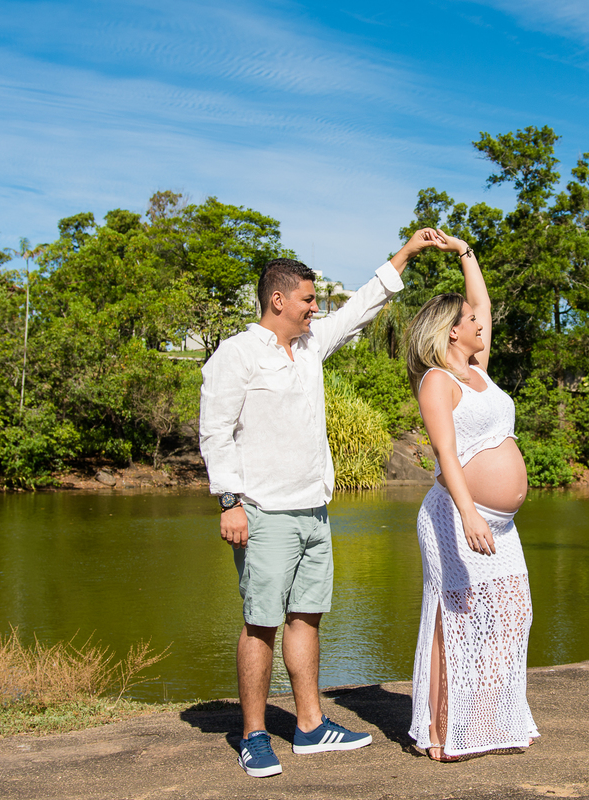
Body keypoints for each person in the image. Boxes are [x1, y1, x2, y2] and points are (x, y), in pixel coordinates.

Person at [199, 229, 441, 778]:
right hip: (262, 511)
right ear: (278, 299)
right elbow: (215, 434)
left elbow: (361, 306)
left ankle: (310, 727)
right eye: (308, 299)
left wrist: (405, 252)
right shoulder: (236, 355)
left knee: (306, 617)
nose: (315, 308)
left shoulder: (309, 345)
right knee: (261, 622)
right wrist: (229, 502)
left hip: (313, 510)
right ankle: (255, 734)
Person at [404, 231, 539, 762]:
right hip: (457, 516)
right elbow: (447, 456)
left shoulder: (479, 370)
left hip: (499, 524)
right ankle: (442, 733)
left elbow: (481, 300)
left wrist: (464, 252)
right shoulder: (437, 381)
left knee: (510, 613)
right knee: (452, 617)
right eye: (470, 320)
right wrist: (468, 516)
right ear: (451, 330)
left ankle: (489, 720)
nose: (480, 322)